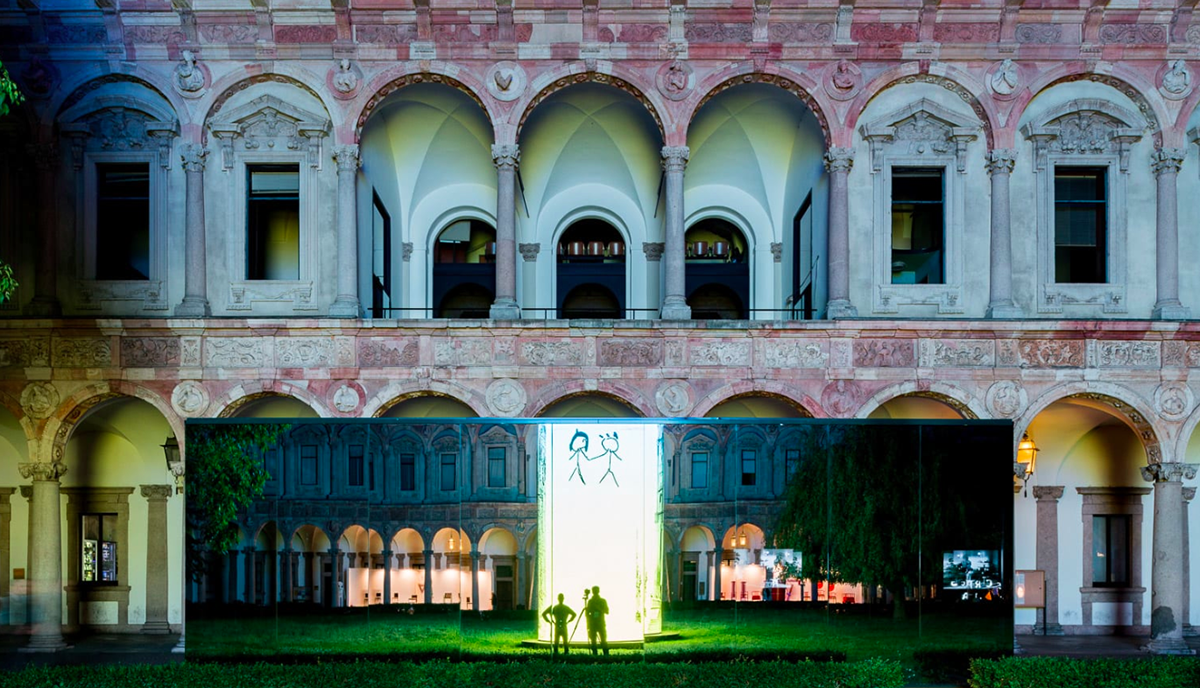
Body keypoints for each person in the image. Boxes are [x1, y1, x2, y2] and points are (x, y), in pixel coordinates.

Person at [585, 585, 609, 656]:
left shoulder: (602, 601)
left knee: (603, 639)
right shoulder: (590, 601)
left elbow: (607, 611)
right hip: (593, 623)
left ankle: (605, 654)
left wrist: (599, 609)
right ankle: (595, 654)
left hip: (600, 623)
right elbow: (587, 614)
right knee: (593, 640)